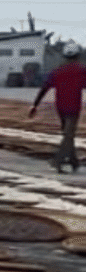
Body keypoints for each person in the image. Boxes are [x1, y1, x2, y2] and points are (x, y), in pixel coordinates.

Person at [29, 41, 86, 173]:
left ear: (64, 56)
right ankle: (58, 160)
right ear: (77, 56)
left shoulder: (56, 72)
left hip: (60, 107)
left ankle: (73, 162)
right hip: (73, 108)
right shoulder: (82, 71)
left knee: (67, 134)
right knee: (68, 135)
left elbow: (44, 88)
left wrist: (35, 105)